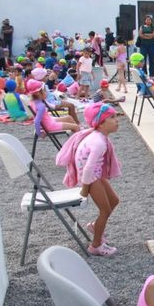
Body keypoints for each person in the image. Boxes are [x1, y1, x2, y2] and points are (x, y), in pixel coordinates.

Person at [54, 102, 120, 256]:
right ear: (100, 123)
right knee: (105, 210)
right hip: (90, 178)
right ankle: (96, 245)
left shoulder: (99, 136)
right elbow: (88, 168)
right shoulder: (98, 142)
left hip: (94, 175)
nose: (117, 120)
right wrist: (85, 189)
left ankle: (95, 226)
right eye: (112, 117)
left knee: (114, 201)